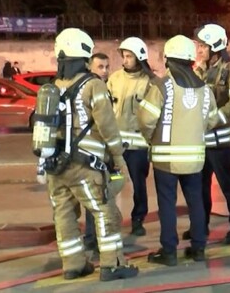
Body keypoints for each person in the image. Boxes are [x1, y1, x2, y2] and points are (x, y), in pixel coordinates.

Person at [43, 28, 138, 281]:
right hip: (84, 166)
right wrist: (118, 158)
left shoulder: (52, 87)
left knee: (64, 214)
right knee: (105, 211)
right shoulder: (93, 84)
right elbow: (107, 126)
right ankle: (112, 265)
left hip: (55, 167)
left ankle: (73, 265)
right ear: (84, 55)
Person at [139, 35, 219, 266]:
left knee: (167, 204)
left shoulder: (161, 85)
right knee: (196, 202)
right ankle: (199, 249)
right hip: (195, 159)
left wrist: (150, 139)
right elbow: (211, 120)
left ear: (167, 59)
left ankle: (169, 251)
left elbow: (146, 120)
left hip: (166, 159)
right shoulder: (205, 89)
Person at [188, 23, 230, 245]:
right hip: (200, 142)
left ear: (215, 47)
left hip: (221, 143)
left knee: (228, 186)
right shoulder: (196, 70)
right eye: (197, 45)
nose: (199, 50)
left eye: (202, 46)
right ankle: (200, 226)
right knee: (200, 187)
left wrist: (213, 120)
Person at [107, 37, 154, 237]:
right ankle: (110, 218)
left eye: (129, 56)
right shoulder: (114, 79)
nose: (124, 60)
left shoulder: (149, 82)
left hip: (138, 147)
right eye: (123, 56)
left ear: (140, 58)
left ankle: (138, 219)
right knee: (113, 181)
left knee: (139, 185)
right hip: (116, 146)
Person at [82, 52, 112, 252]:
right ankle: (97, 239)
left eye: (107, 66)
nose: (105, 71)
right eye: (100, 66)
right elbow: (106, 124)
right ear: (89, 66)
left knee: (94, 198)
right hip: (93, 152)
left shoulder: (91, 86)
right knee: (98, 198)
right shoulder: (94, 88)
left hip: (89, 152)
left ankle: (92, 237)